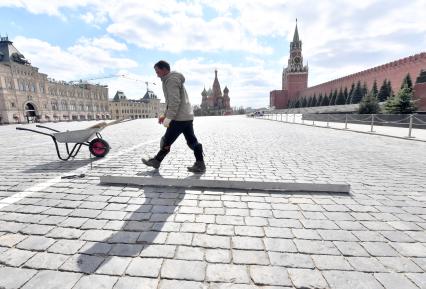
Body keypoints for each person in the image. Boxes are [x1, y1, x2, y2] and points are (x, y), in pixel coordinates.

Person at [142, 60, 206, 173]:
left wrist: (169, 118)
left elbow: (175, 101)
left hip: (179, 118)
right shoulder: (171, 79)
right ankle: (200, 164)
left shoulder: (171, 80)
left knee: (166, 140)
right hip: (186, 116)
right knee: (192, 141)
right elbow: (171, 101)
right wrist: (165, 115)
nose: (156, 74)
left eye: (157, 71)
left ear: (164, 69)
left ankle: (156, 161)